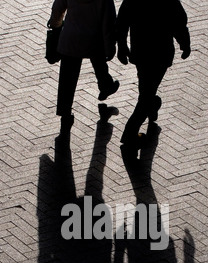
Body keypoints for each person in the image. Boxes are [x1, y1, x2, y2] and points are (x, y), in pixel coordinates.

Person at [116, 0, 191, 151]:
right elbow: (179, 22)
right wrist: (185, 44)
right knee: (146, 95)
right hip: (161, 54)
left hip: (141, 52)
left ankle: (152, 106)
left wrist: (122, 47)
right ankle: (130, 133)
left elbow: (122, 22)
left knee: (146, 89)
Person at [48, 0, 119, 142]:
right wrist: (110, 45)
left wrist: (55, 25)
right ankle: (105, 86)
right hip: (94, 37)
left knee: (67, 79)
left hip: (70, 37)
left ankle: (65, 115)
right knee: (99, 61)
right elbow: (109, 20)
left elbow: (58, 8)